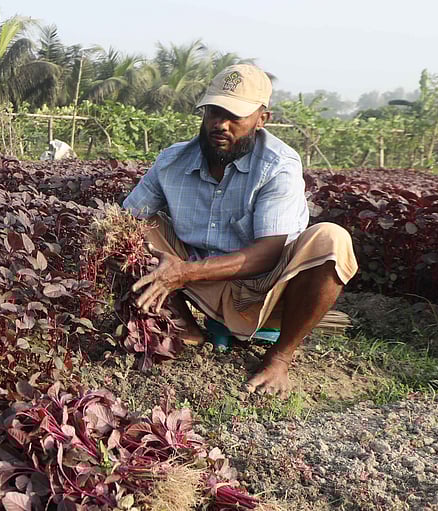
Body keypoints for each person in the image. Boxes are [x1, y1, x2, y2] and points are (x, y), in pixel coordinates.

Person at [121, 63, 357, 398]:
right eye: (214, 111)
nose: (220, 124)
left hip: (268, 289)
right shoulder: (172, 160)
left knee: (333, 239)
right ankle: (186, 327)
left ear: (262, 119)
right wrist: (167, 263)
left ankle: (279, 357)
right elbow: (128, 218)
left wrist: (183, 272)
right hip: (198, 286)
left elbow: (270, 251)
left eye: (235, 115)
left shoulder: (278, 165)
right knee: (132, 228)